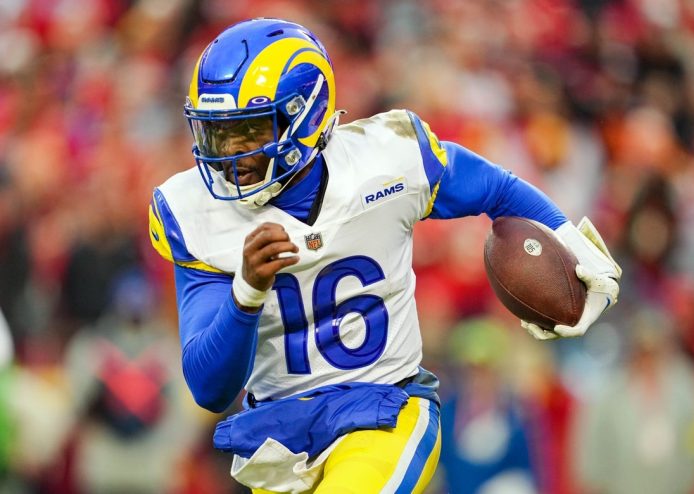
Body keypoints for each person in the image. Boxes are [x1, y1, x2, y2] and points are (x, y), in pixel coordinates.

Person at [148, 18, 621, 494]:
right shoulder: (194, 213)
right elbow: (210, 388)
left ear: (303, 117)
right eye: (217, 132)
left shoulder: (385, 161)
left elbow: (497, 189)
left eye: (248, 131)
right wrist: (246, 293)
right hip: (282, 439)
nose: (229, 153)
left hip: (385, 413)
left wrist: (573, 246)